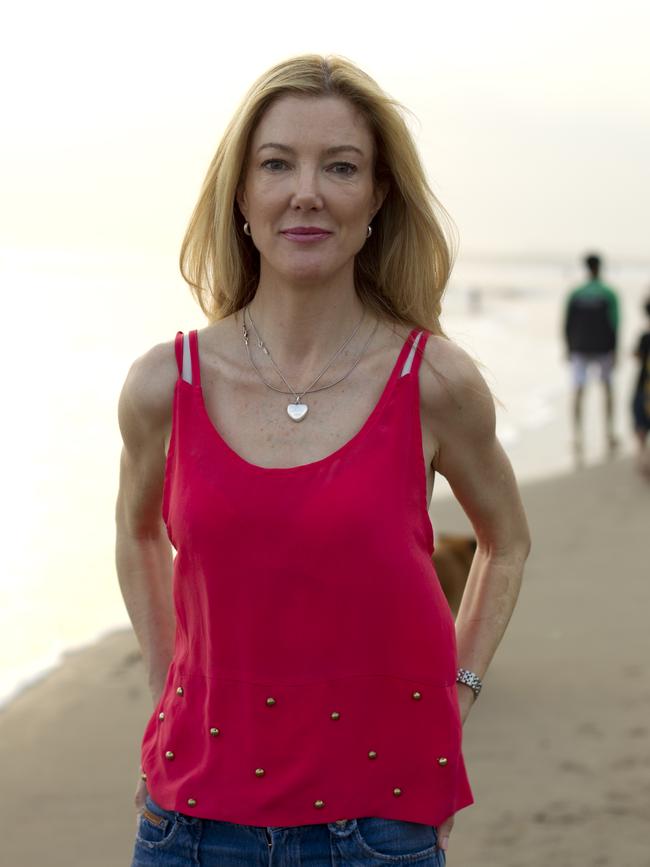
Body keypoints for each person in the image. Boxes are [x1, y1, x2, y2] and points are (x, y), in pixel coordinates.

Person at [115, 54, 531, 866]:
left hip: (376, 831)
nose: (306, 191)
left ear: (376, 197)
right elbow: (137, 537)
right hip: (189, 828)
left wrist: (457, 695)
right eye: (277, 164)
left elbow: (506, 541)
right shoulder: (164, 385)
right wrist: (167, 695)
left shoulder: (435, 381)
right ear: (241, 194)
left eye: (340, 166)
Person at [563, 253, 620, 460]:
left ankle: (577, 437)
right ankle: (609, 432)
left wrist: (568, 347)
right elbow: (615, 323)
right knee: (607, 389)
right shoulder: (609, 294)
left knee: (578, 390)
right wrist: (616, 350)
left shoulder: (576, 293)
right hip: (603, 348)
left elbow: (566, 323)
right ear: (600, 267)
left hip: (579, 348)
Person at [631, 296, 650, 477]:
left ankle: (643, 460)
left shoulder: (644, 337)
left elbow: (636, 356)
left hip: (642, 388)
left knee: (641, 428)